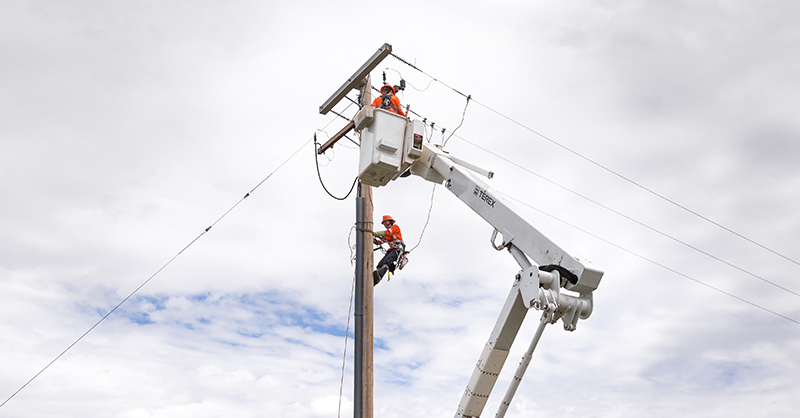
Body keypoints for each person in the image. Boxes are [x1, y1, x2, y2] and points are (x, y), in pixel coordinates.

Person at [373, 215, 404, 285]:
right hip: (391, 249)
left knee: (387, 261)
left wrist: (376, 233)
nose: (384, 224)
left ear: (390, 221)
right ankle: (375, 278)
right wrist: (373, 240)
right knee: (380, 264)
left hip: (397, 249)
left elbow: (387, 232)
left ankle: (380, 275)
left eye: (385, 222)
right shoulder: (387, 235)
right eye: (383, 223)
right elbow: (380, 242)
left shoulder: (395, 227)